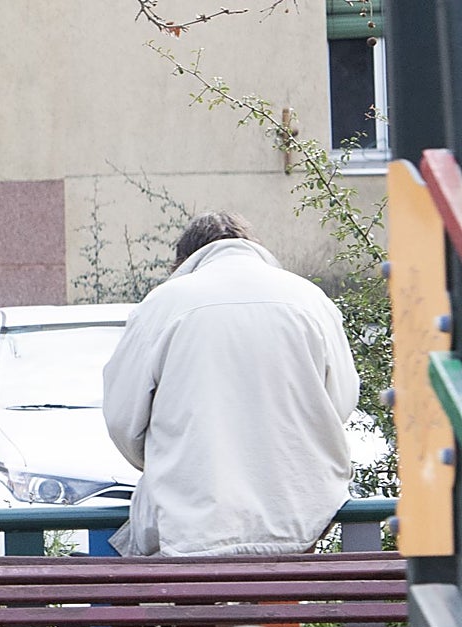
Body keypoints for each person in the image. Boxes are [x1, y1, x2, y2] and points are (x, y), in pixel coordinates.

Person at [101, 211, 359, 556]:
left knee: (198, 609)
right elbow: (339, 403)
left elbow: (122, 418)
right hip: (299, 511)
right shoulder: (309, 298)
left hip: (192, 519)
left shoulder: (163, 304)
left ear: (184, 260)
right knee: (281, 608)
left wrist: (164, 461)